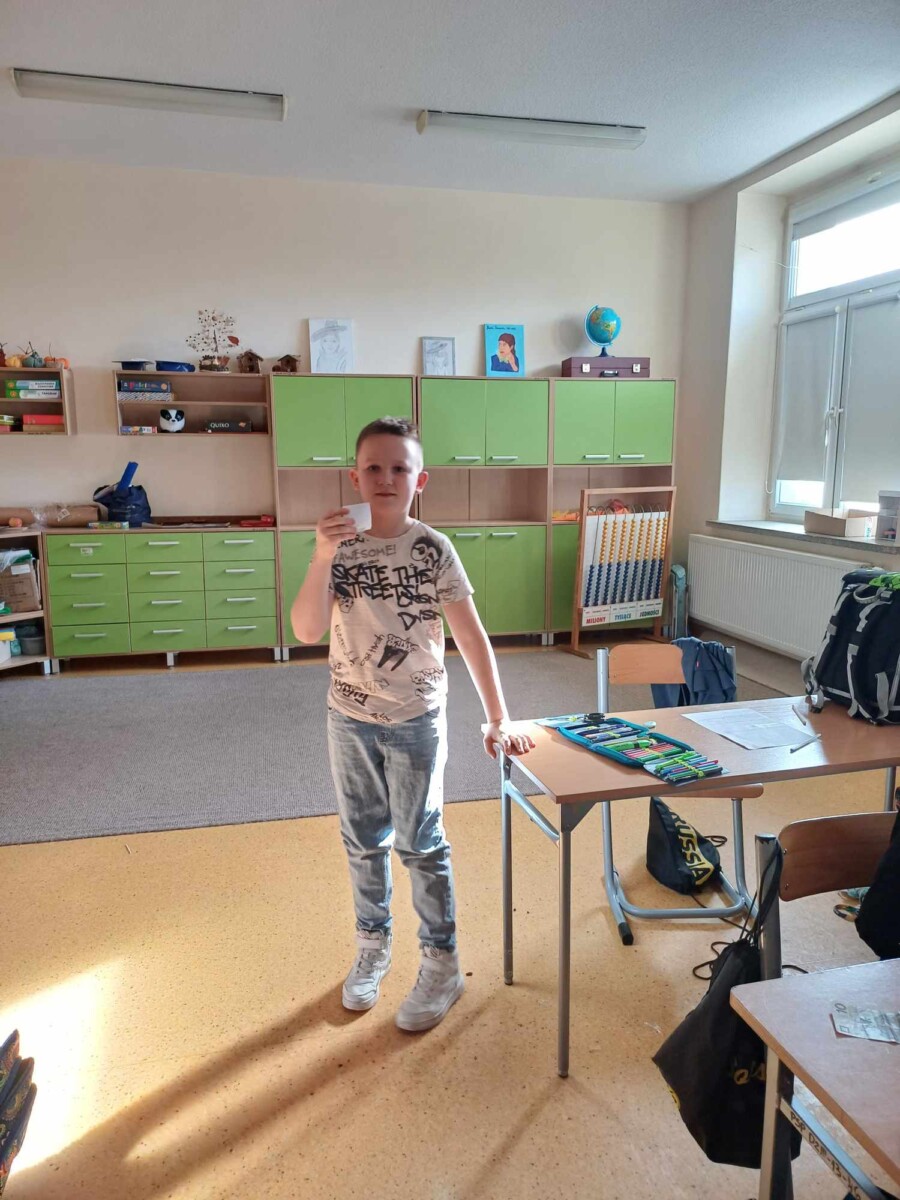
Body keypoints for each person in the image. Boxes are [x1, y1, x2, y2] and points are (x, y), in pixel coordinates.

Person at [291, 416, 534, 1032]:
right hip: (348, 718)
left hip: (416, 719)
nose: (386, 478)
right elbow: (307, 629)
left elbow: (471, 636)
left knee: (421, 842)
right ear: (354, 477)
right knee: (361, 840)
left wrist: (498, 717)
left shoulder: (433, 549)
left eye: (399, 468)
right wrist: (321, 555)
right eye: (373, 467)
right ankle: (372, 946)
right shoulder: (339, 547)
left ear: (419, 480)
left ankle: (442, 963)